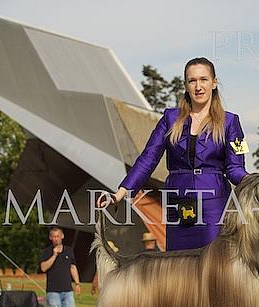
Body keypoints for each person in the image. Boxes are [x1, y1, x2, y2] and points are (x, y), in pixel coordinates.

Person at [99, 57, 248, 250]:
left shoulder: (230, 122)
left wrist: (255, 182)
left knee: (213, 265)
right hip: (177, 205)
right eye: (192, 81)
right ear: (185, 85)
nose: (198, 87)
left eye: (203, 79)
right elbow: (148, 158)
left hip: (214, 206)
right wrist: (119, 194)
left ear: (214, 82)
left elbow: (235, 168)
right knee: (176, 265)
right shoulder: (170, 119)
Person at [39, 226, 81, 307]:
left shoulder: (69, 250)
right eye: (54, 237)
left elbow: (73, 267)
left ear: (62, 236)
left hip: (67, 290)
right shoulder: (47, 252)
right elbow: (43, 268)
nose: (56, 239)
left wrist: (77, 283)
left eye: (58, 236)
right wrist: (54, 255)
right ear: (50, 238)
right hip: (53, 290)